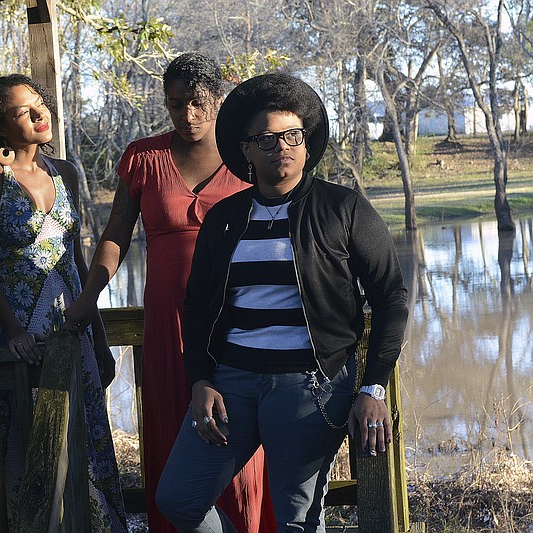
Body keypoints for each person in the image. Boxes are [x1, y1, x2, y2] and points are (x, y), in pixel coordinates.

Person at [155, 72, 409, 532]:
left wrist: (372, 388)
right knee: (179, 499)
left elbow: (391, 298)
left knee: (295, 521)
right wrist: (201, 380)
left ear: (307, 143)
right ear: (246, 150)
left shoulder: (343, 209)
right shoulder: (225, 219)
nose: (283, 147)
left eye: (293, 135)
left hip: (310, 387)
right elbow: (196, 310)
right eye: (267, 139)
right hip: (231, 385)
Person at [64, 53, 276, 532]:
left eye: (198, 103)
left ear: (219, 100)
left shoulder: (247, 158)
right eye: (176, 104)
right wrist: (87, 299)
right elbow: (116, 235)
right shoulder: (144, 157)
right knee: (174, 434)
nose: (188, 116)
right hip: (167, 323)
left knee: (238, 440)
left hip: (238, 322)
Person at [0, 74, 127, 532]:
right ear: (1, 126)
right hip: (20, 331)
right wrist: (13, 330)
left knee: (84, 432)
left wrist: (98, 337)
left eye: (40, 104)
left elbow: (78, 260)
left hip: (70, 325)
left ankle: (96, 524)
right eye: (24, 111)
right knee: (27, 439)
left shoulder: (64, 171)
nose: (40, 114)